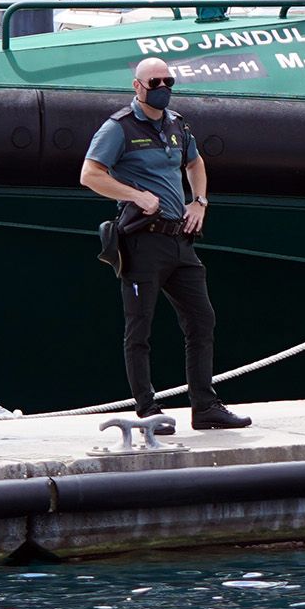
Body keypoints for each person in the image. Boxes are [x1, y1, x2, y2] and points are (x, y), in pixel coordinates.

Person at [79, 56, 250, 429]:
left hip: (179, 240)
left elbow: (196, 163)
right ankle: (147, 409)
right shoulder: (119, 128)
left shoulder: (176, 125)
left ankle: (205, 407)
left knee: (202, 319)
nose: (163, 89)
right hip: (143, 241)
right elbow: (90, 174)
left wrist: (200, 202)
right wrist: (135, 195)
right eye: (154, 83)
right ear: (137, 86)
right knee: (140, 326)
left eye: (168, 82)